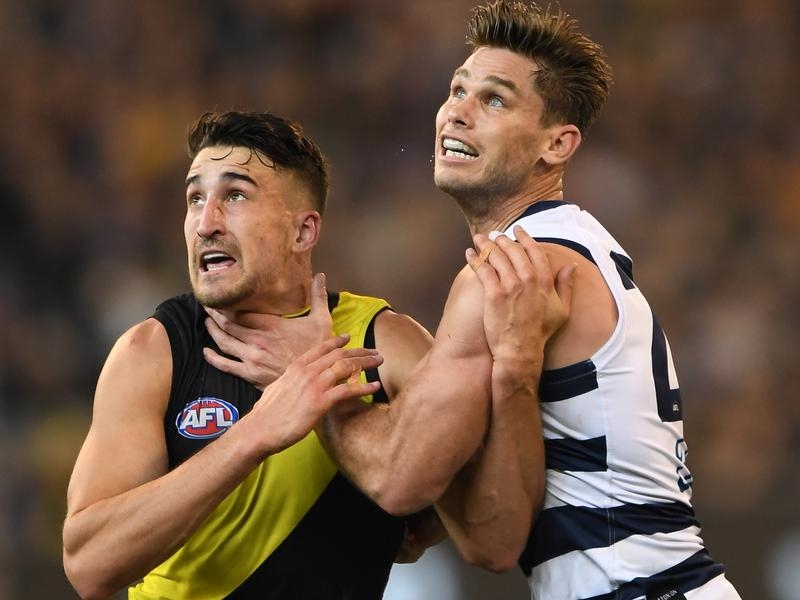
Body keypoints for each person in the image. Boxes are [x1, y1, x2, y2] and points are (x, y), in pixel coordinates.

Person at [205, 2, 744, 598]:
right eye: (457, 90)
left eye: (494, 100)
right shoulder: (575, 245)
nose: (457, 112)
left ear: (556, 144)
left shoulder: (509, 272)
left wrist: (308, 383)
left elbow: (397, 478)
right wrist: (448, 498)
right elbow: (493, 536)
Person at [62, 110, 573, 599]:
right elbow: (89, 566)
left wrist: (514, 371)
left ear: (303, 231)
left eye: (235, 196)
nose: (205, 223)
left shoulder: (382, 343)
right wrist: (255, 434)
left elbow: (490, 533)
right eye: (195, 199)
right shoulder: (153, 351)